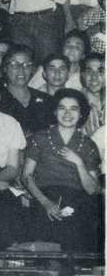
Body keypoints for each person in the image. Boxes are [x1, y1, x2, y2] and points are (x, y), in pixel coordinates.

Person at [22, 88, 103, 252]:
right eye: (62, 108)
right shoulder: (40, 138)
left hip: (78, 199)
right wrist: (45, 203)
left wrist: (79, 163)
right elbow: (26, 176)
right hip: (44, 195)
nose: (67, 113)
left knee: (82, 224)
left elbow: (92, 189)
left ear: (81, 114)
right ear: (54, 111)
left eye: (74, 108)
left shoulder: (88, 145)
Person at [0, 45, 53, 134]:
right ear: (5, 68)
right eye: (15, 65)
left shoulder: (46, 100)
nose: (21, 69)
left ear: (33, 69)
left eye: (26, 65)